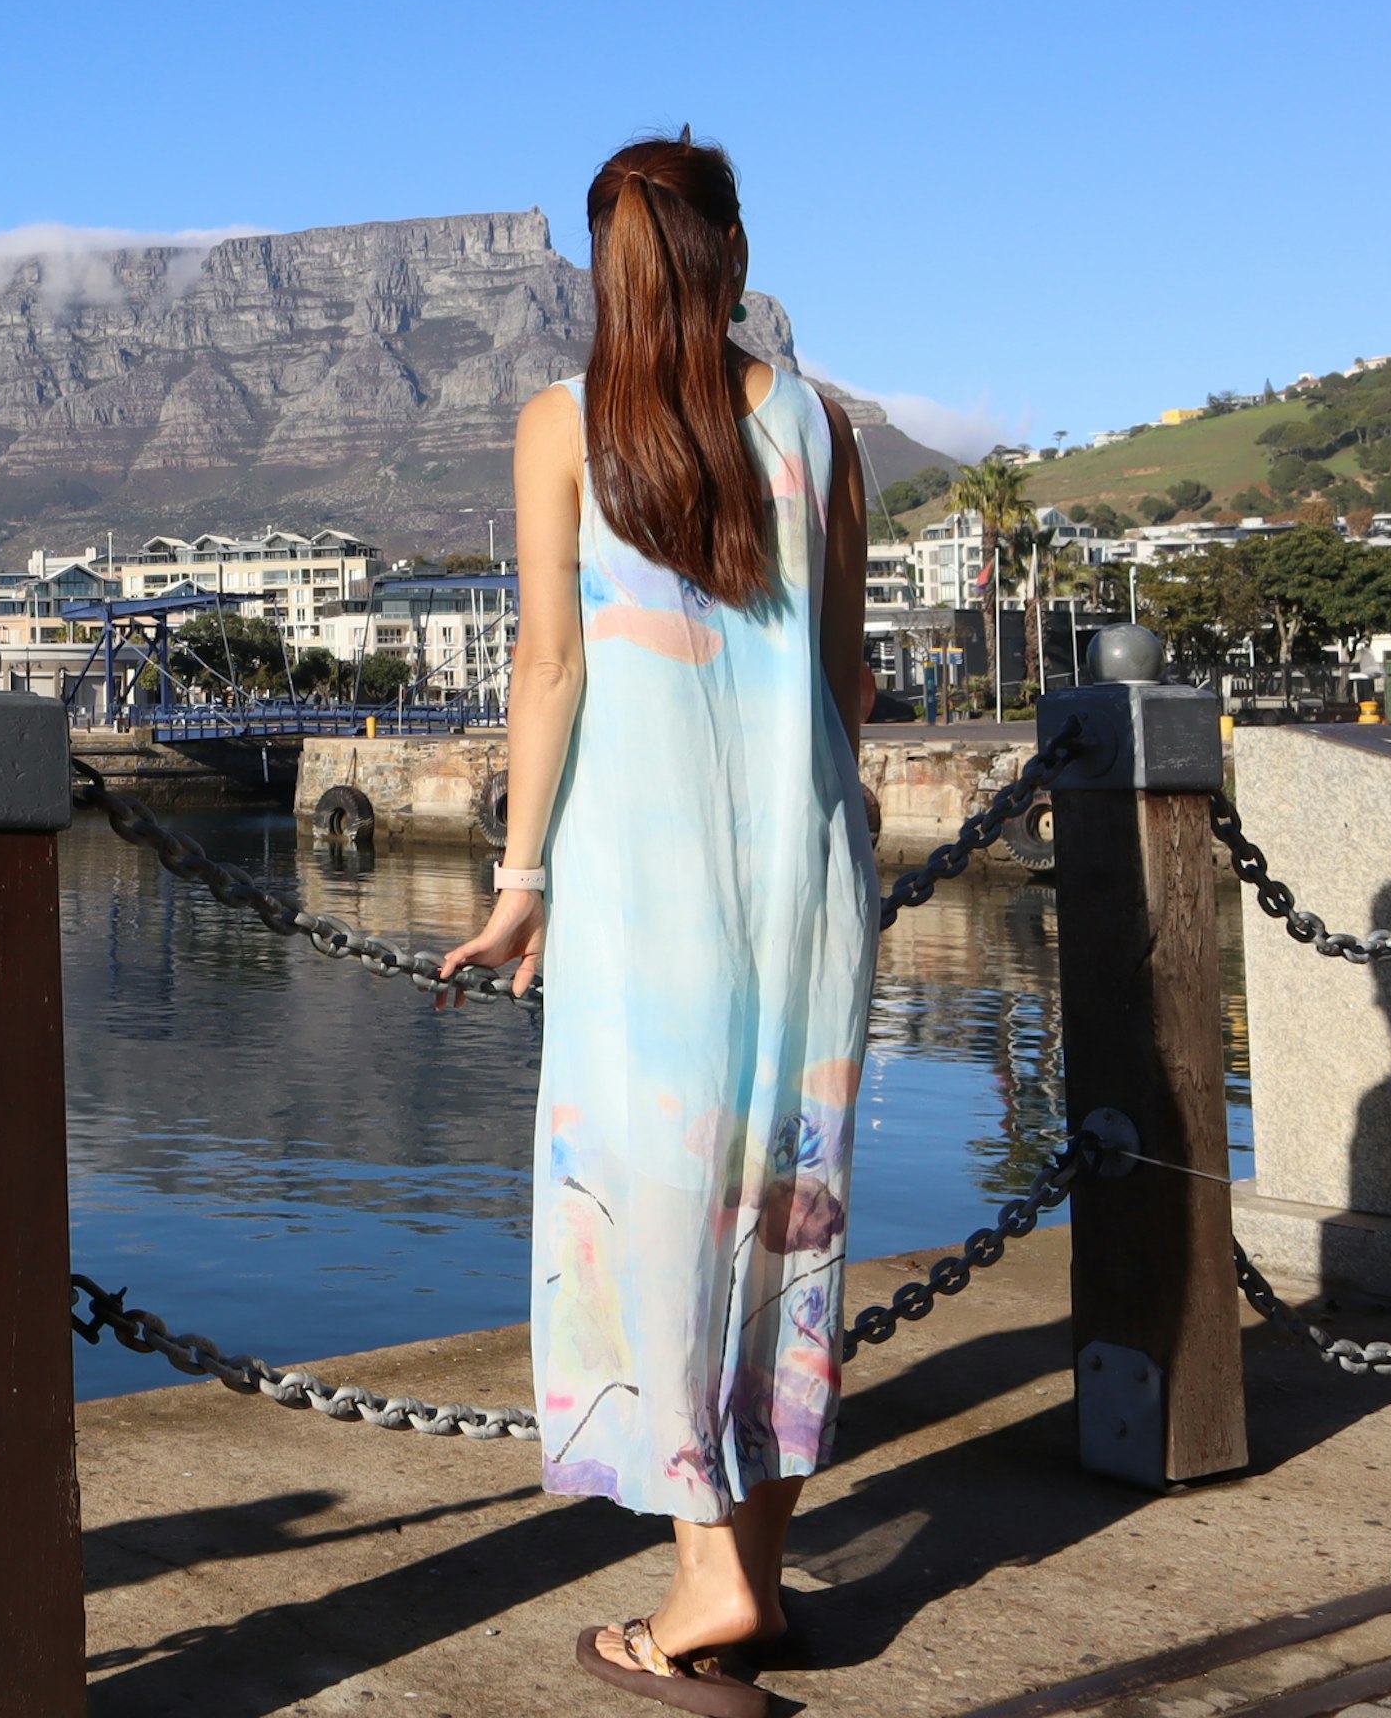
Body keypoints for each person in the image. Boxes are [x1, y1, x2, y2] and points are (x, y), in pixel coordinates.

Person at [441, 134, 873, 1718]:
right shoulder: (822, 427)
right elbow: (845, 680)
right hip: (810, 884)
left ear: (604, 269)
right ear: (734, 246)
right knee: (787, 1206)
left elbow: (549, 670)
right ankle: (752, 1572)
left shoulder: (563, 426)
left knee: (655, 1208)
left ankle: (704, 1585)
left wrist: (521, 881)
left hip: (645, 893)